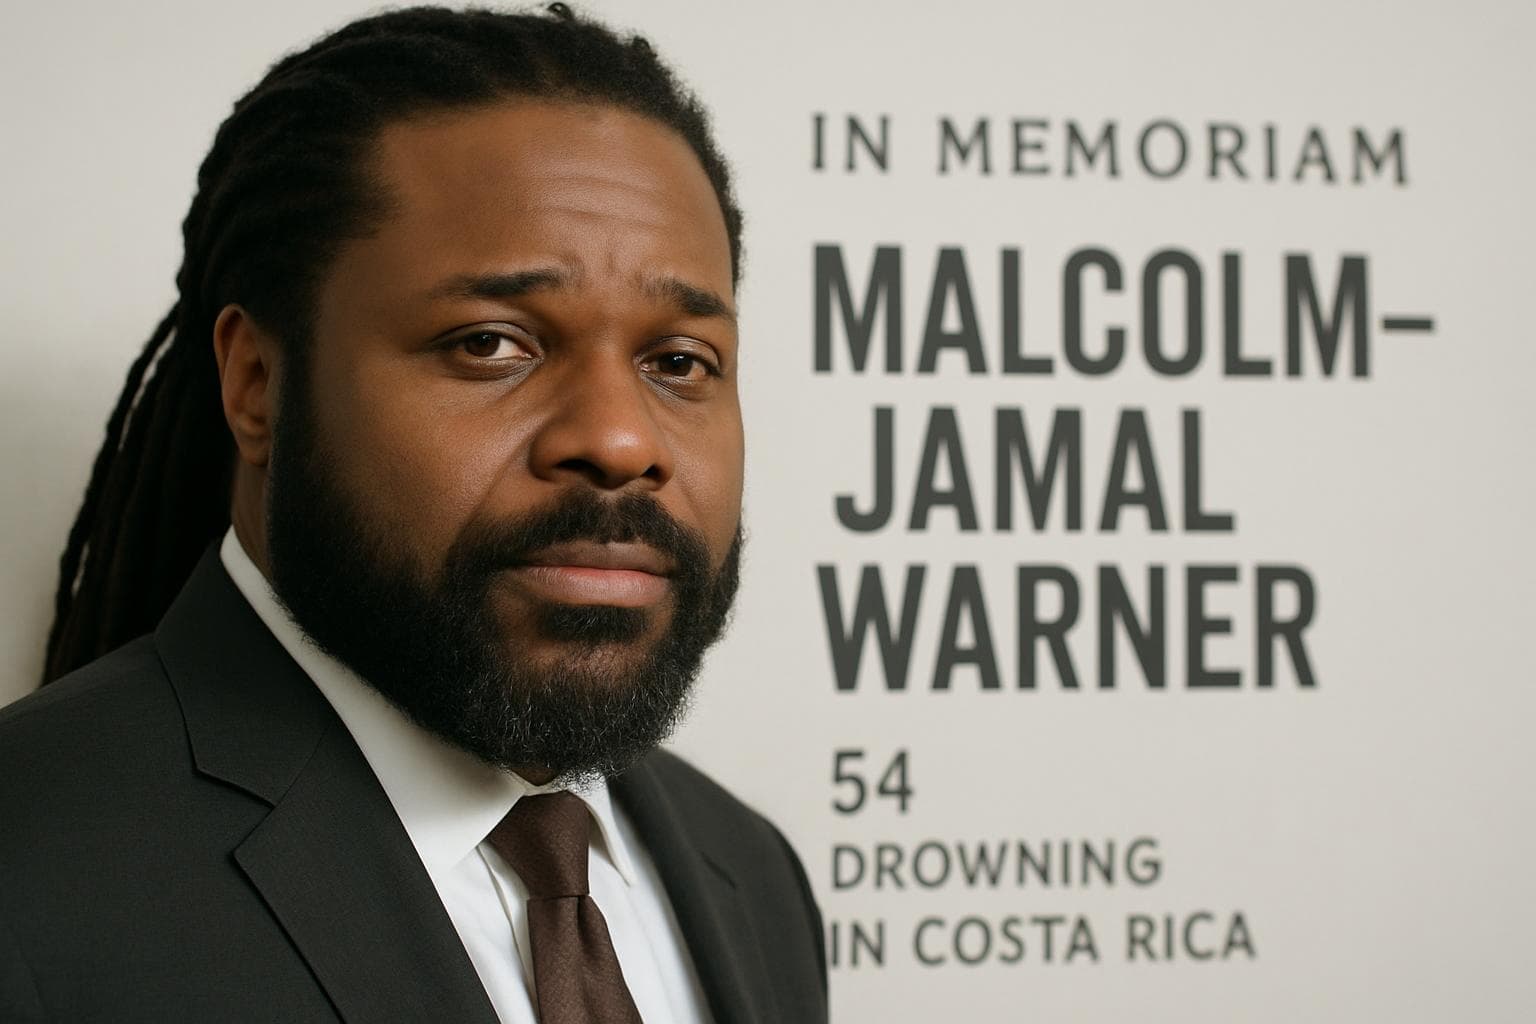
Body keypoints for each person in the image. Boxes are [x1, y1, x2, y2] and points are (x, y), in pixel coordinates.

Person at [0, 6, 827, 1022]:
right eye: (490, 343)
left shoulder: (751, 875)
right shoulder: (30, 874)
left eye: (678, 362)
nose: (621, 439)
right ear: (257, 384)